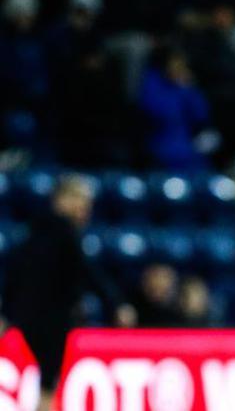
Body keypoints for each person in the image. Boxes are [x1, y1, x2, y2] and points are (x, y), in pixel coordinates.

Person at [1, 174, 137, 411]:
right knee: (47, 385)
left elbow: (14, 274)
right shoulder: (64, 234)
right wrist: (115, 304)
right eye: (80, 200)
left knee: (42, 383)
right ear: (61, 199)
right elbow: (88, 273)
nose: (85, 208)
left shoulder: (33, 230)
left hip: (23, 319)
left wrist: (6, 311)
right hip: (50, 321)